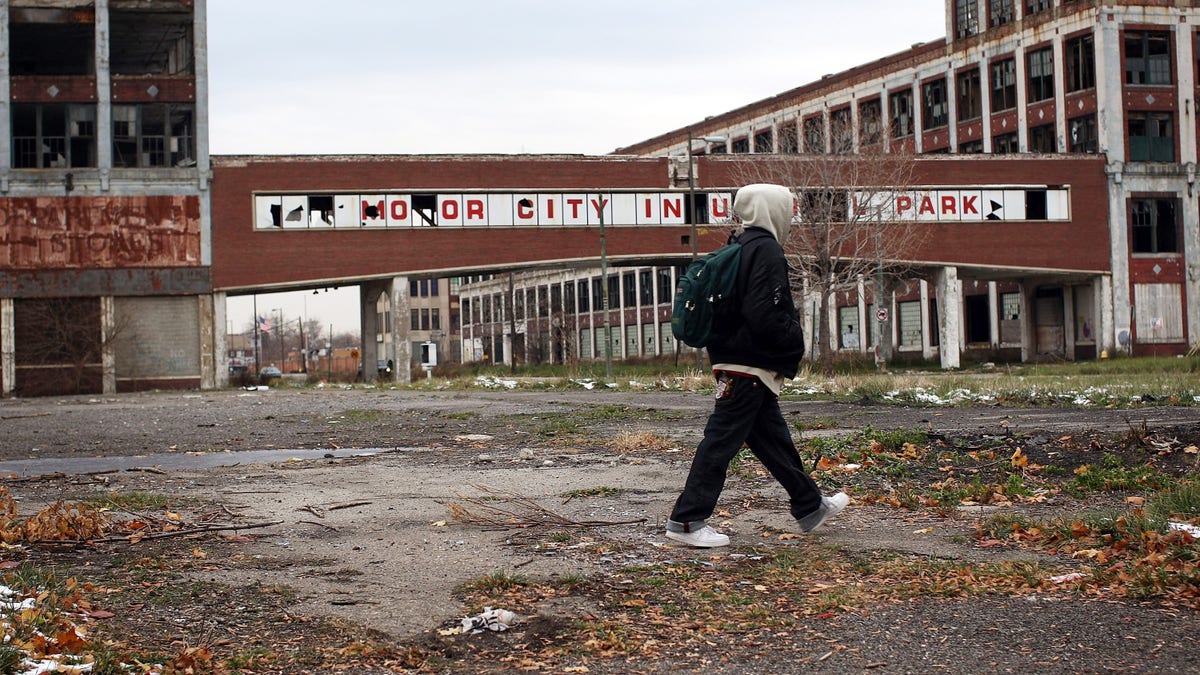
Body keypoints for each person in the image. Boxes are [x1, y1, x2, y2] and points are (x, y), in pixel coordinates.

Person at [666, 183, 849, 548]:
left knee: (773, 440)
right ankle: (686, 521)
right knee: (720, 441)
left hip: (738, 361)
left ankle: (810, 505)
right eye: (787, 209)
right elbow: (765, 313)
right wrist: (794, 341)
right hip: (747, 365)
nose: (791, 217)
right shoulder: (765, 250)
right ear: (772, 210)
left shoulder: (739, 246)